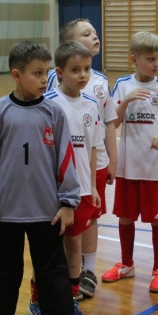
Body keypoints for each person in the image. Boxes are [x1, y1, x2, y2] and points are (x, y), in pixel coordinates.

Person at [0, 41, 80, 315]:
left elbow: (65, 159)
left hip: (47, 210)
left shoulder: (54, 112)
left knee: (53, 271)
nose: (45, 79)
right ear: (17, 75)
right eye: (37, 73)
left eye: (47, 72)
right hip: (6, 211)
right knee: (3, 270)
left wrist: (68, 202)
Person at [28, 41, 105, 315]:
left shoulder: (91, 105)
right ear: (59, 72)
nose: (82, 75)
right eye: (75, 70)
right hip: (52, 194)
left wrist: (93, 186)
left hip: (81, 191)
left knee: (74, 246)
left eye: (86, 69)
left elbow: (93, 149)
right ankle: (37, 301)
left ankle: (70, 300)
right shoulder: (47, 104)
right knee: (48, 250)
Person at [101, 31, 158, 293]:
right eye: (150, 59)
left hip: (154, 168)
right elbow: (113, 122)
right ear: (133, 59)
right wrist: (126, 101)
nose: (156, 64)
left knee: (157, 219)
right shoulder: (123, 85)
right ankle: (126, 264)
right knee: (125, 217)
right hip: (127, 166)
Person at [47, 18, 118, 300]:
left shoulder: (100, 81)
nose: (95, 37)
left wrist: (112, 159)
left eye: (95, 33)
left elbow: (108, 123)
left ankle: (87, 271)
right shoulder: (52, 85)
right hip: (64, 171)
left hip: (93, 164)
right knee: (67, 228)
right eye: (87, 34)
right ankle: (63, 275)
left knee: (91, 218)